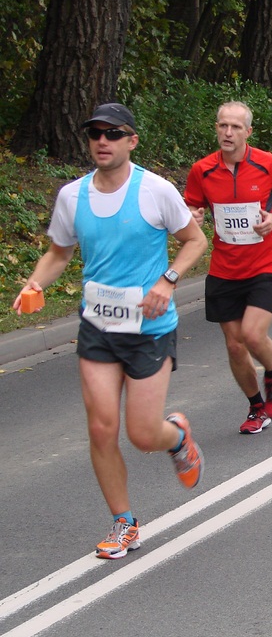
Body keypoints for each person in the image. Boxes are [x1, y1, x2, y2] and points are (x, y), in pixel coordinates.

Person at [13, 103, 208, 560]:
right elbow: (59, 251)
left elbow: (195, 241)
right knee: (102, 430)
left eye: (113, 133)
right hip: (97, 327)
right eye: (95, 134)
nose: (103, 141)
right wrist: (36, 281)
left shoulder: (155, 190)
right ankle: (124, 522)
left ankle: (177, 437)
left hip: (149, 328)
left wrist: (168, 280)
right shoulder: (72, 196)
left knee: (142, 435)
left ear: (131, 141)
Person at [184, 102, 272, 434]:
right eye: (222, 125)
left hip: (265, 263)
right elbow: (192, 205)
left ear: (248, 132)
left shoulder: (269, 165)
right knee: (234, 344)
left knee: (252, 334)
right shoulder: (202, 170)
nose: (227, 132)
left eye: (235, 127)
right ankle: (256, 406)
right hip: (225, 268)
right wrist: (193, 215)